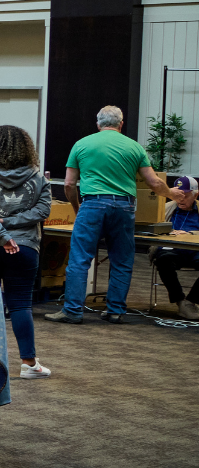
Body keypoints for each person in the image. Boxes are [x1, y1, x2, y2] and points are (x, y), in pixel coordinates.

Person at [49, 105, 173, 324]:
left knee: (79, 259)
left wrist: (77, 208)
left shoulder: (82, 144)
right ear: (121, 124)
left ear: (98, 124)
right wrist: (173, 194)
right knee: (122, 260)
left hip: (92, 204)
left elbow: (69, 184)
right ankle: (115, 310)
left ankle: (73, 311)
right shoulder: (134, 147)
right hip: (125, 207)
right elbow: (154, 182)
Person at [0, 125, 53, 377]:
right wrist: (8, 231)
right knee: (20, 306)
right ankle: (29, 364)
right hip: (24, 248)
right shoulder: (38, 178)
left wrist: (1, 228)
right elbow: (42, 211)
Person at [151, 176, 199, 321]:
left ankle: (190, 301)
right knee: (163, 259)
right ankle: (180, 301)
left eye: (185, 195)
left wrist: (191, 234)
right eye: (178, 194)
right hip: (171, 249)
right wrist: (166, 232)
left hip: (195, 250)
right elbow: (151, 228)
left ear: (196, 194)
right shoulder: (165, 208)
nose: (180, 198)